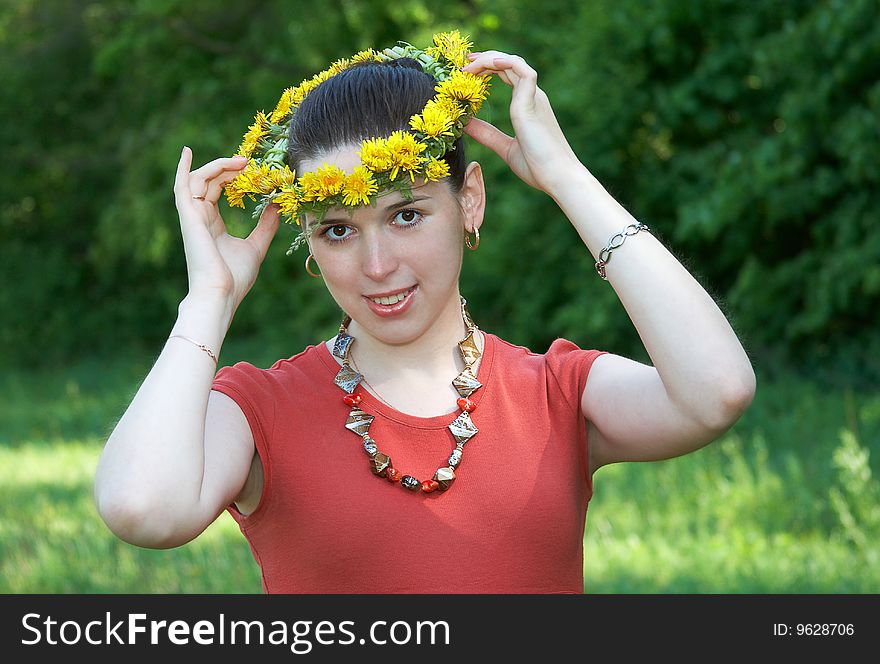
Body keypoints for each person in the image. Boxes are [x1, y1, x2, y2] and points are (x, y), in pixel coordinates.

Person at [94, 33, 756, 593]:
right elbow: (141, 507)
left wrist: (566, 178)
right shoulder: (259, 410)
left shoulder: (555, 393)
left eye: (406, 215)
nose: (377, 264)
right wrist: (210, 299)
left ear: (469, 201)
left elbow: (717, 391)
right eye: (337, 230)